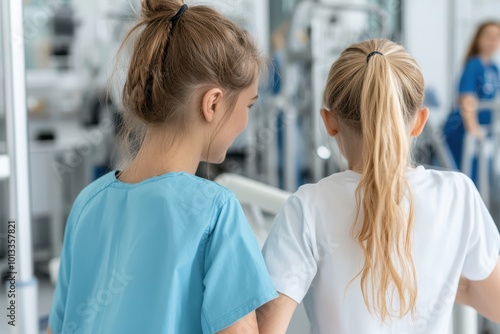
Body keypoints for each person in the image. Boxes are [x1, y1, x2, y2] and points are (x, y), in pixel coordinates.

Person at [48, 1, 278, 333]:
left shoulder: (87, 203)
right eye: (248, 105)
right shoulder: (216, 213)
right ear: (212, 103)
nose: (245, 122)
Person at [257, 39, 500, 333]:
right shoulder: (458, 194)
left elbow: (266, 327)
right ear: (420, 121)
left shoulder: (307, 206)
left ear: (329, 122)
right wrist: (439, 278)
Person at [445, 21, 500, 174]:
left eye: (497, 37)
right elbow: (466, 99)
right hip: (463, 131)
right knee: (465, 177)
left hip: (482, 132)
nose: (493, 41)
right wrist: (473, 128)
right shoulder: (474, 64)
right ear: (478, 39)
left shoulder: (494, 68)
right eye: (489, 36)